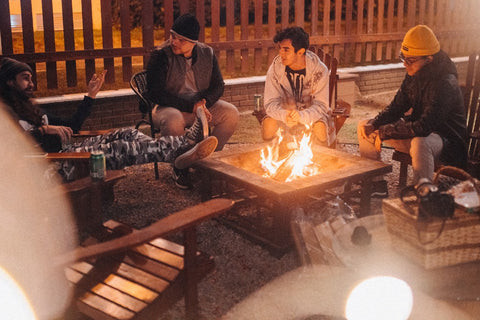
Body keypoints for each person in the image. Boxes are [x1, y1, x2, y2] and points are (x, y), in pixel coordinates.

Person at [0, 57, 217, 185]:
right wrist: (44, 130)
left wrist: (91, 95)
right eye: (25, 78)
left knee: (126, 134)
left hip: (69, 150)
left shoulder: (30, 108)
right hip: (53, 167)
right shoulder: (6, 114)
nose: (32, 83)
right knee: (120, 148)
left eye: (31, 77)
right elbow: (11, 147)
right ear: (9, 81)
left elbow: (72, 127)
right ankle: (183, 146)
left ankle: (177, 152)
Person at [357, 25, 467, 194]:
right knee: (364, 127)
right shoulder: (414, 73)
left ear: (429, 59)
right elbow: (397, 107)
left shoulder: (446, 82)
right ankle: (377, 186)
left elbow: (424, 127)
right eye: (404, 58)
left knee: (419, 143)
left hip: (447, 142)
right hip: (420, 134)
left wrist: (386, 132)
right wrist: (376, 124)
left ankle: (423, 194)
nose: (405, 64)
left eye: (410, 60)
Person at [146, 13, 239, 188]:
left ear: (193, 43)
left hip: (198, 105)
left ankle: (207, 159)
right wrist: (192, 106)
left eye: (181, 40)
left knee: (231, 113)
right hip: (167, 107)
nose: (174, 42)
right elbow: (155, 93)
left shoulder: (207, 53)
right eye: (173, 36)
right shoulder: (160, 55)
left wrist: (204, 102)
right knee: (174, 119)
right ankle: (180, 167)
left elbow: (218, 85)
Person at [260, 27, 335, 146]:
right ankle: (273, 160)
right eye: (280, 48)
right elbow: (270, 102)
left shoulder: (319, 71)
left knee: (320, 128)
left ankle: (322, 162)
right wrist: (285, 115)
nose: (280, 53)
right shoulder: (275, 69)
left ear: (300, 52)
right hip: (284, 114)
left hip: (311, 115)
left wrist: (301, 116)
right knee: (268, 124)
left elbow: (321, 106)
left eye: (286, 50)